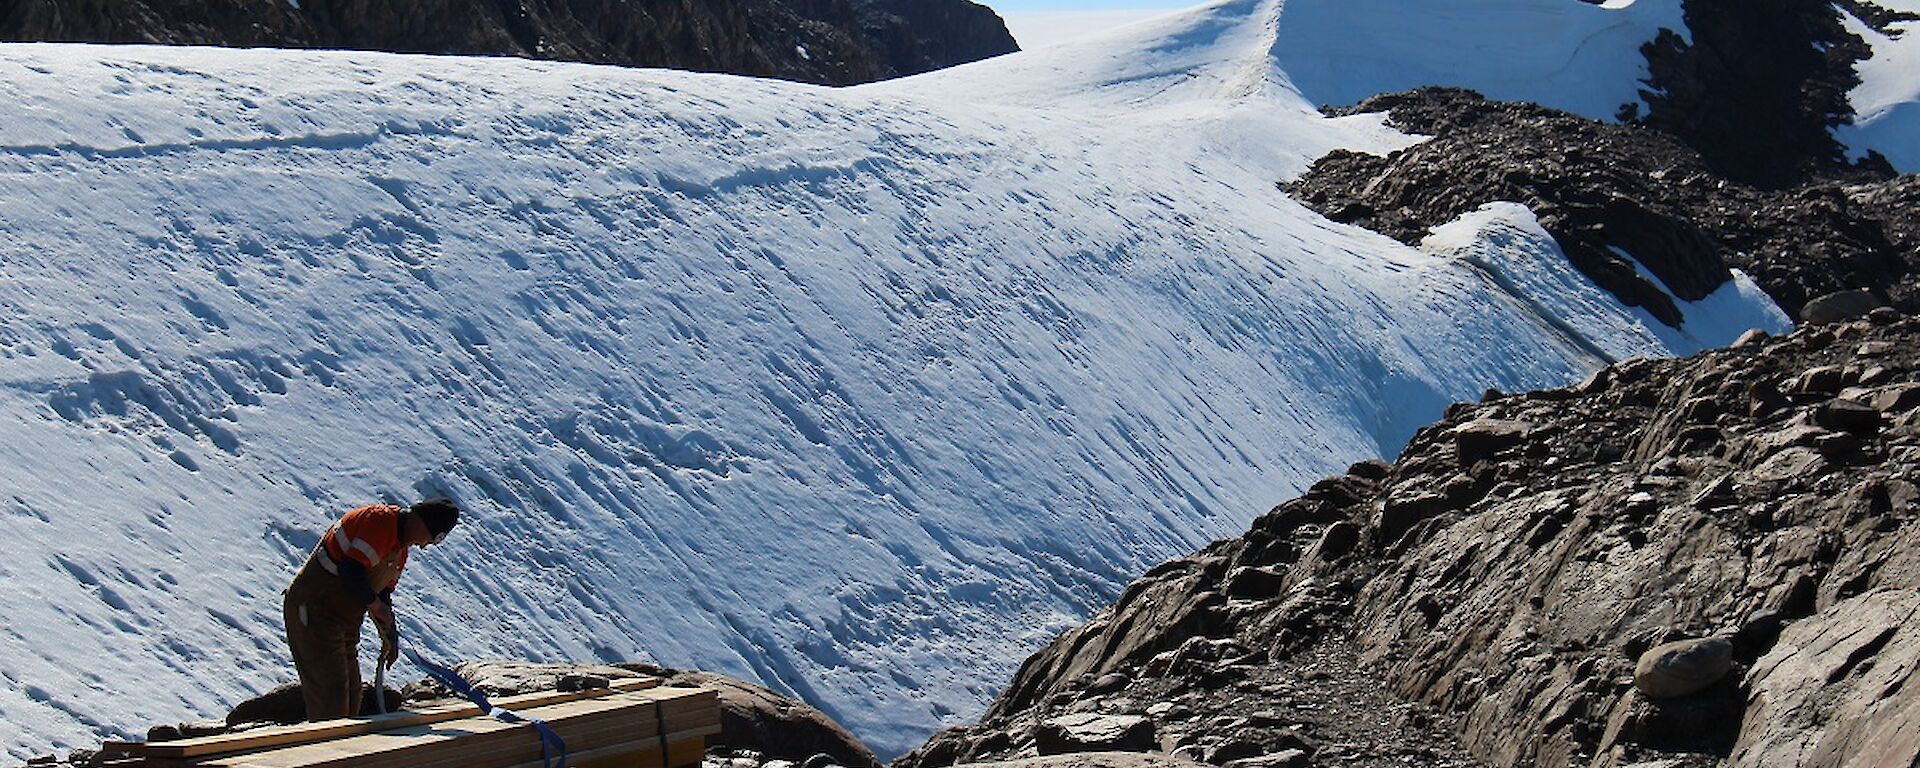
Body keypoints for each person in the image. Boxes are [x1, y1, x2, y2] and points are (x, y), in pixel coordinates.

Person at [282, 498, 460, 720]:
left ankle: (343, 748)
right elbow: (351, 571)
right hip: (314, 610)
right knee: (331, 696)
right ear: (422, 523)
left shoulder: (399, 550)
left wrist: (389, 636)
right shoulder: (379, 523)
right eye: (431, 539)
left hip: (342, 622)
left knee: (352, 696)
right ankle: (326, 750)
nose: (424, 546)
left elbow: (383, 594)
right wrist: (375, 605)